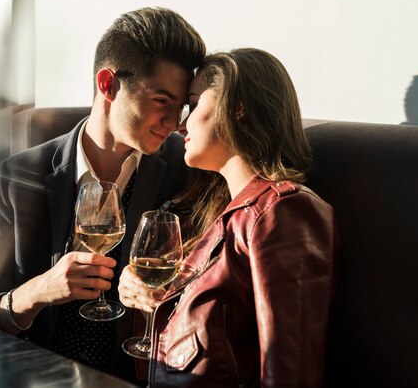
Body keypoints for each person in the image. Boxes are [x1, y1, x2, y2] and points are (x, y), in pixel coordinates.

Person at [0, 7, 206, 385]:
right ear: (108, 84)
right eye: (161, 101)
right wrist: (36, 292)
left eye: (181, 107)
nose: (175, 124)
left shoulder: (188, 172)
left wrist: (166, 289)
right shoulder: (21, 176)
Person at [119, 48, 338, 387]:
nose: (179, 124)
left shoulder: (284, 212)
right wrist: (145, 292)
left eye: (192, 105)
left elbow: (289, 372)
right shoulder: (213, 210)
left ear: (236, 109)